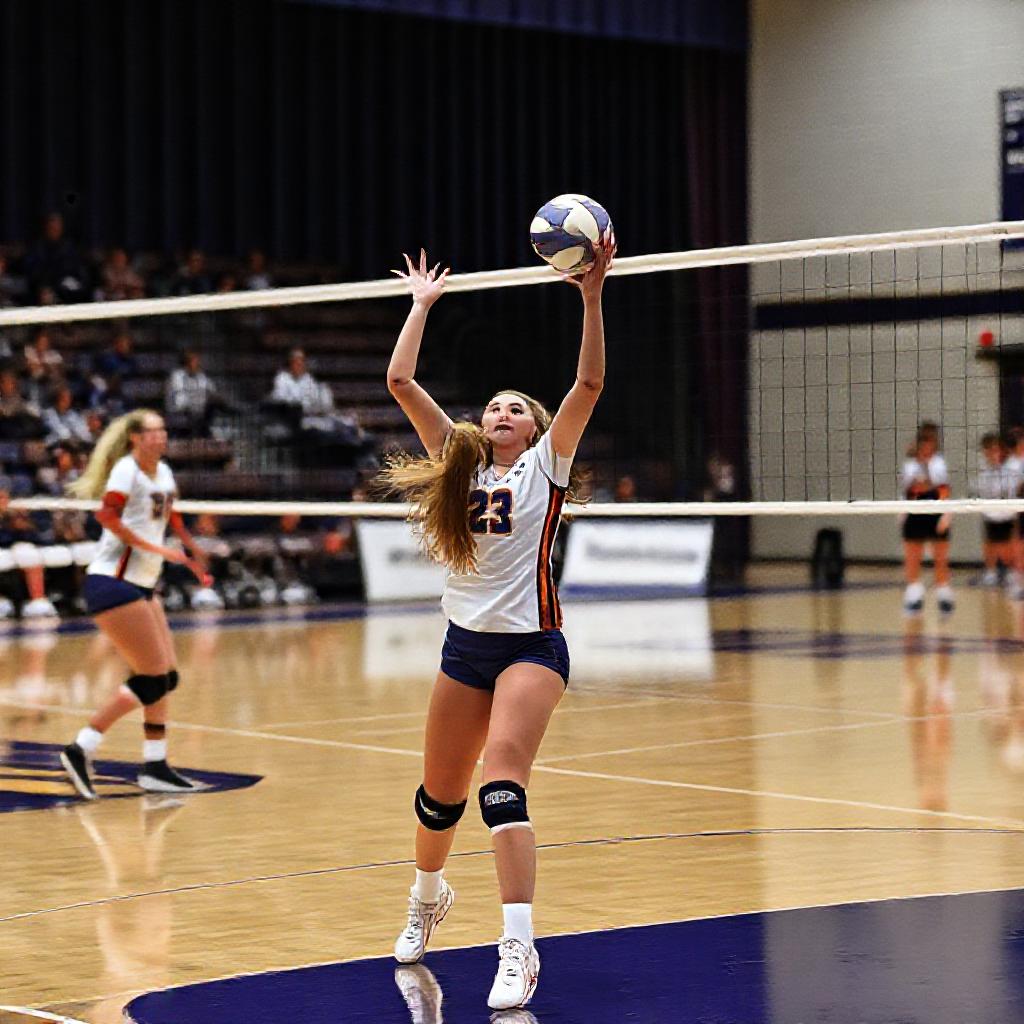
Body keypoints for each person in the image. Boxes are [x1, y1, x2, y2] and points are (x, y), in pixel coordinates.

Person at [382, 235, 614, 1012]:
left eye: (516, 408)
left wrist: (590, 296)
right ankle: (427, 897)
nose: (502, 412)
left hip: (531, 648)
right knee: (437, 799)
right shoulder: (459, 463)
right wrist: (421, 305)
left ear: (536, 428)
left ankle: (519, 944)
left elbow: (589, 381)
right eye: (493, 407)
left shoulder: (546, 466)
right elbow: (399, 380)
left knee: (501, 786)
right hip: (464, 650)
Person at [59, 409, 210, 800]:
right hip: (113, 582)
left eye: (163, 431)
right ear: (135, 438)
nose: (161, 437)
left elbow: (171, 517)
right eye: (152, 432)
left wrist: (191, 551)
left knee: (166, 678)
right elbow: (106, 515)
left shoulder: (164, 472)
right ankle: (80, 747)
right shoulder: (126, 471)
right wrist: (157, 549)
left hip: (141, 584)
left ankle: (155, 765)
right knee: (152, 678)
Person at [901, 422, 954, 614]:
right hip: (915, 511)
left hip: (936, 511)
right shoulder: (910, 464)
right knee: (913, 555)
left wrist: (947, 515)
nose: (927, 444)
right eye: (924, 440)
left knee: (940, 556)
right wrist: (902, 513)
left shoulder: (939, 463)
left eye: (931, 440)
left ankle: (943, 594)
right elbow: (908, 490)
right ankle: (913, 594)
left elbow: (943, 490)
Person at [975, 432, 1017, 588]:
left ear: (1000, 449)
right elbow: (982, 490)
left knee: (1008, 545)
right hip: (990, 513)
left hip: (1007, 513)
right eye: (987, 450)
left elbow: (1010, 490)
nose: (991, 454)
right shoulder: (984, 471)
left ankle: (1011, 573)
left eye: (994, 449)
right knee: (990, 543)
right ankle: (990, 573)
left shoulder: (1011, 467)